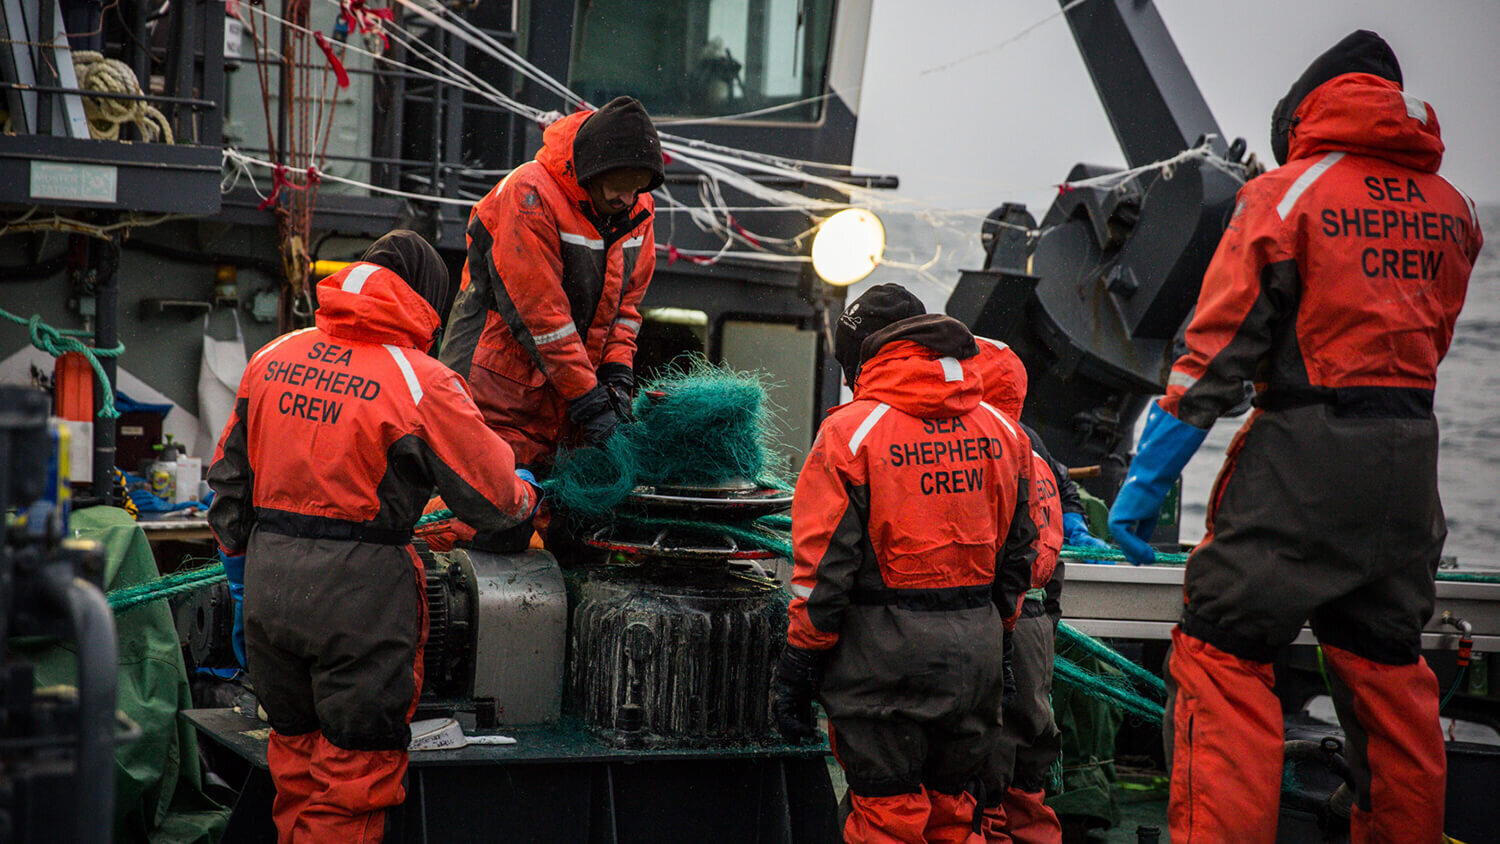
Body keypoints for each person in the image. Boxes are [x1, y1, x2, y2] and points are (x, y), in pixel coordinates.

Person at [1107, 31, 1481, 842]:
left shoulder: (1286, 193)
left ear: (1303, 112)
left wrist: (1145, 482)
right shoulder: (1455, 211)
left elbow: (1216, 353)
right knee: (1387, 668)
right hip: (1411, 466)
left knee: (1223, 649)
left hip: (1304, 463)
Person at [207, 231, 541, 843]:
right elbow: (495, 501)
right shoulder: (421, 380)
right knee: (351, 785)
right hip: (359, 605)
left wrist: (238, 578)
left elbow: (228, 485)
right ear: (426, 303)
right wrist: (525, 490)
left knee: (296, 766)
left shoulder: (273, 355)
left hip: (268, 593)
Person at [773, 283, 1039, 843]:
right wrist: (1003, 647)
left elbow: (823, 573)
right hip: (978, 661)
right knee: (954, 813)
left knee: (888, 818)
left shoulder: (850, 434)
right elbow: (1019, 562)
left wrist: (799, 665)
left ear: (862, 357)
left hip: (883, 667)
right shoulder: (1004, 433)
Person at [439, 95, 663, 466]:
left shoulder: (637, 209)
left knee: (546, 513)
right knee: (482, 509)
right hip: (496, 397)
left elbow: (624, 311)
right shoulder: (529, 194)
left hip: (564, 398)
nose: (628, 198)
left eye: (639, 187)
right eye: (622, 184)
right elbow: (542, 316)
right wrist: (590, 401)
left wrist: (617, 375)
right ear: (593, 169)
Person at [971, 335, 1108, 844]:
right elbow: (1052, 503)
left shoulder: (974, 441)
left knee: (983, 759)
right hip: (1033, 621)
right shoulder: (1028, 440)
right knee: (1029, 755)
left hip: (989, 618)